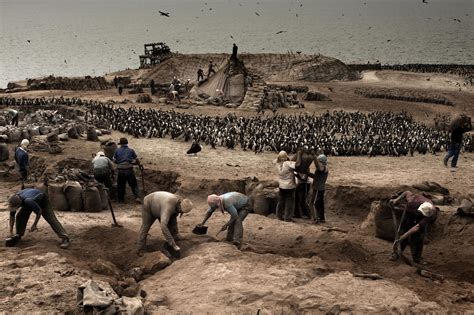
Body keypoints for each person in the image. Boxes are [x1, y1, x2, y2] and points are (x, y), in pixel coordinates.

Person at [6, 188, 70, 249]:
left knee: (50, 218)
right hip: (29, 200)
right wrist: (11, 232)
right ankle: (18, 234)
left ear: (19, 204)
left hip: (42, 200)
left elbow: (39, 212)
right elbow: (12, 216)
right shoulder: (14, 200)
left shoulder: (28, 201)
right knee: (20, 216)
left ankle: (65, 238)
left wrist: (34, 224)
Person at [137, 191, 194, 256]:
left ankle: (175, 235)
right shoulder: (169, 206)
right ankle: (140, 248)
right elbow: (163, 225)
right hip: (149, 204)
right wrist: (171, 241)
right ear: (179, 205)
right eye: (181, 211)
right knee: (145, 227)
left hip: (159, 205)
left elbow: (174, 219)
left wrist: (175, 233)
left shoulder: (181, 201)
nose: (180, 212)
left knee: (173, 218)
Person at [389, 191, 437, 264]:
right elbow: (406, 192)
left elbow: (417, 227)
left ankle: (417, 258)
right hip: (410, 213)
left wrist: (403, 237)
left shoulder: (431, 214)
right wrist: (396, 200)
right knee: (402, 231)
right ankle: (396, 253)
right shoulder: (413, 200)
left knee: (419, 236)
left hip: (420, 218)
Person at [113, 137, 141, 203]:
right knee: (134, 184)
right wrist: (137, 164)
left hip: (121, 170)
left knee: (121, 185)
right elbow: (137, 159)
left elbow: (114, 160)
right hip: (129, 169)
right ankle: (137, 197)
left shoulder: (117, 150)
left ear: (120, 144)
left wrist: (119, 163)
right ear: (127, 143)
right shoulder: (131, 150)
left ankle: (121, 199)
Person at [275, 151, 296, 222]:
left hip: (281, 185)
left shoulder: (277, 163)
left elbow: (275, 160)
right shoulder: (288, 163)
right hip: (289, 185)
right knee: (289, 202)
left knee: (281, 201)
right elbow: (297, 165)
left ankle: (279, 216)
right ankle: (288, 217)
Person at [307, 154, 329, 223]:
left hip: (318, 189)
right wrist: (307, 173)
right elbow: (315, 176)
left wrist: (314, 157)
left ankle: (315, 219)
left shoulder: (322, 168)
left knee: (312, 203)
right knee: (320, 204)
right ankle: (321, 218)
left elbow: (318, 167)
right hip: (320, 188)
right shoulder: (323, 168)